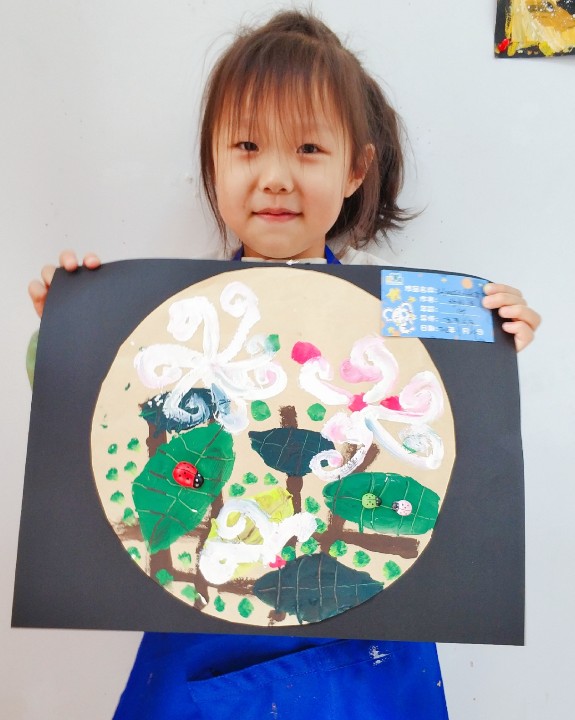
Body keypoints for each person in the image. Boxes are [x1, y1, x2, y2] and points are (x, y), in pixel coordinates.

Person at [27, 10, 541, 719]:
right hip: (201, 627)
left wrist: (495, 338)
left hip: (368, 642)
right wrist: (72, 331)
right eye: (247, 145)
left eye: (307, 148)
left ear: (355, 168)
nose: (274, 178)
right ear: (213, 161)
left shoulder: (405, 323)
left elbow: (457, 435)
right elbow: (92, 425)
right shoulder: (171, 330)